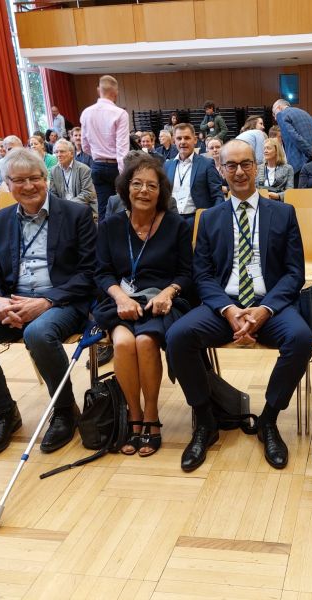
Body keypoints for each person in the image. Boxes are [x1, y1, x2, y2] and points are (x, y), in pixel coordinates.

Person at [165, 140, 312, 472]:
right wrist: (229, 310)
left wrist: (265, 310)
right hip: (224, 305)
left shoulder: (283, 212)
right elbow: (202, 275)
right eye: (231, 165)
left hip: (270, 303)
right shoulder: (210, 217)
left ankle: (269, 421)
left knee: (301, 339)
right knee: (178, 336)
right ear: (220, 170)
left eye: (246, 163)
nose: (239, 171)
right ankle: (206, 421)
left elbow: (294, 272)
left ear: (257, 166)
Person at [0, 148, 96, 458]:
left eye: (35, 178)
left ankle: (65, 410)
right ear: (7, 183)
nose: (28, 186)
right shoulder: (1, 220)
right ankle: (4, 412)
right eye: (19, 180)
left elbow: (89, 273)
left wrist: (45, 301)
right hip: (11, 302)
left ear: (46, 179)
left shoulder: (76, 215)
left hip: (62, 303)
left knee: (37, 333)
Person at [94, 154, 192, 457]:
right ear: (126, 188)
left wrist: (169, 292)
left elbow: (187, 273)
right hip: (119, 301)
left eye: (152, 185)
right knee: (123, 343)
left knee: (146, 341)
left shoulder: (177, 225)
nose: (144, 191)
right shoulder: (110, 225)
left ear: (161, 191)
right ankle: (132, 417)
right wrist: (120, 297)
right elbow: (102, 271)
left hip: (162, 301)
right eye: (137, 184)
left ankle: (152, 416)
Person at [80, 75, 130, 223]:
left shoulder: (86, 113)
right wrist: (124, 174)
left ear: (98, 90)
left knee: (103, 209)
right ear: (116, 93)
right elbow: (122, 148)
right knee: (123, 206)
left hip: (97, 165)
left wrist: (98, 155)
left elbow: (85, 146)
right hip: (116, 166)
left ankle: (103, 244)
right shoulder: (120, 113)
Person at [164, 123, 225, 230]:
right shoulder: (167, 165)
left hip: (197, 220)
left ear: (195, 140)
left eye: (187, 138)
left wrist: (212, 219)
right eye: (179, 138)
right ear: (174, 141)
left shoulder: (207, 164)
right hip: (171, 221)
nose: (183, 142)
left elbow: (218, 196)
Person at [272, 99, 312, 186]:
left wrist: (311, 152)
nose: (275, 118)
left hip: (299, 164)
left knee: (299, 197)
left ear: (279, 107)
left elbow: (293, 136)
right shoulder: (305, 113)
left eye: (274, 114)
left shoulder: (281, 114)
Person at [49, 139, 98, 216]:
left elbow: (87, 193)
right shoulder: (53, 171)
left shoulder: (83, 169)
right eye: (56, 152)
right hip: (62, 210)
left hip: (81, 208)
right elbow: (52, 193)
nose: (58, 155)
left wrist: (68, 205)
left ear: (71, 154)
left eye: (62, 151)